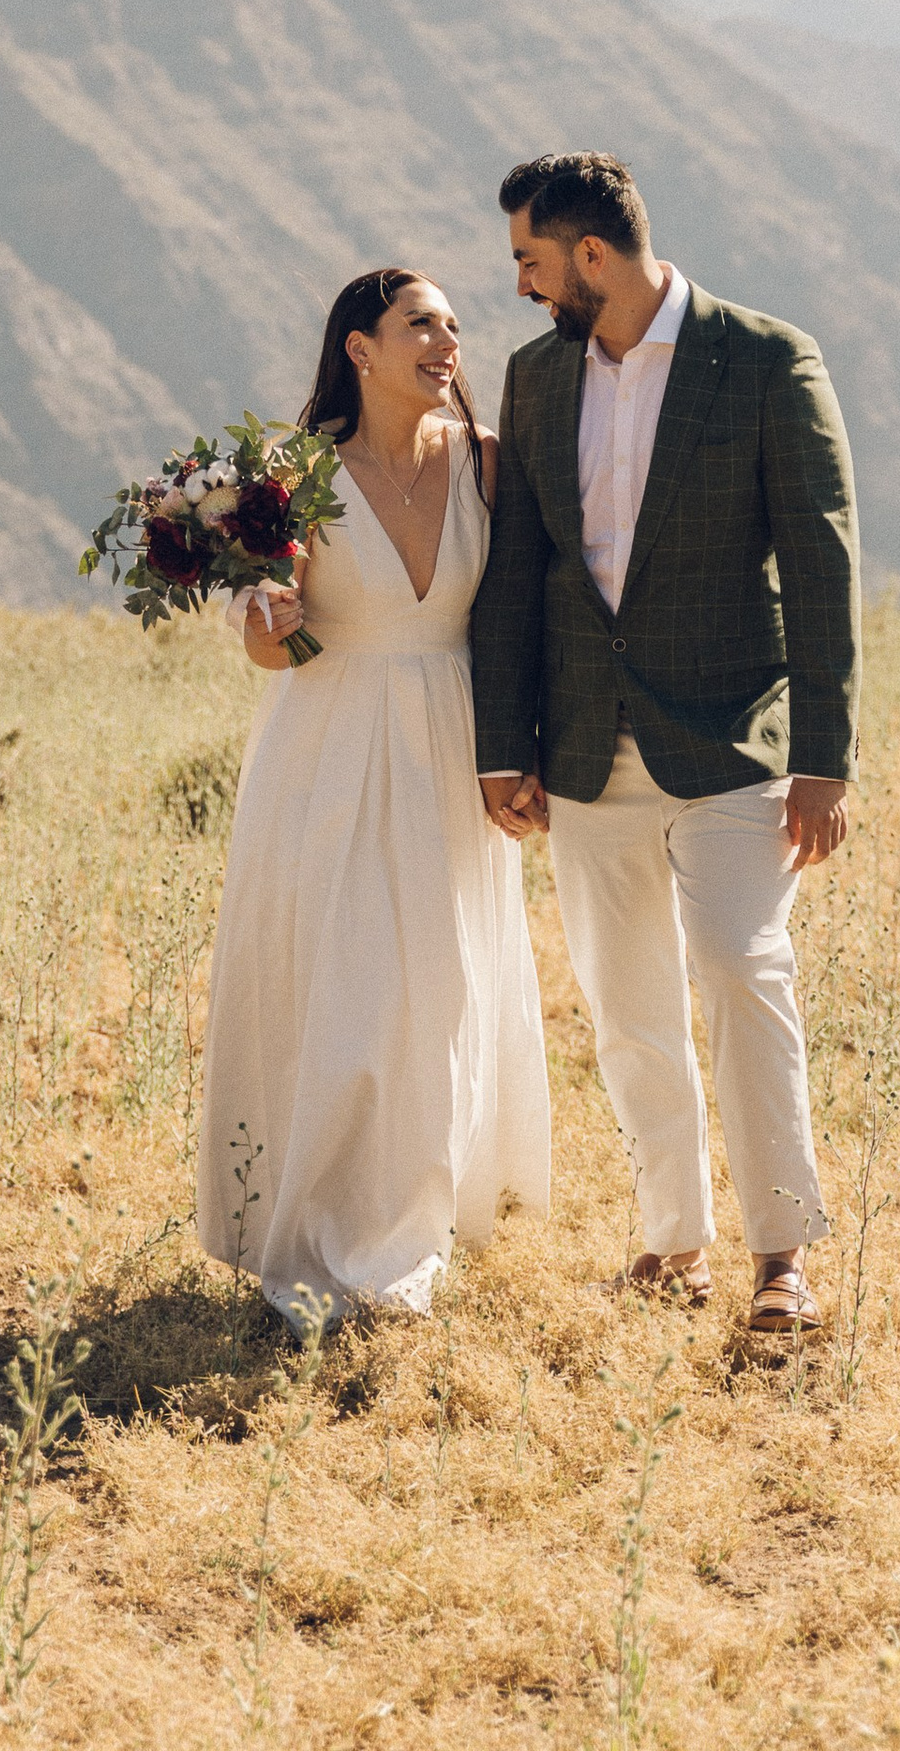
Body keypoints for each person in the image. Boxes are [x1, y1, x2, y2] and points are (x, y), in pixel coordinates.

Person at [470, 153, 859, 1336]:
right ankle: (671, 1242)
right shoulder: (536, 376)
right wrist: (503, 742)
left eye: (532, 262)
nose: (523, 287)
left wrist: (826, 759)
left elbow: (822, 559)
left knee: (744, 971)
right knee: (626, 1006)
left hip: (733, 741)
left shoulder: (766, 358)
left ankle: (781, 1257)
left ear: (591, 255)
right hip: (585, 746)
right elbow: (517, 567)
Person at [195, 266, 552, 1322]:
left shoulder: (488, 462)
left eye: (453, 325)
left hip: (452, 744)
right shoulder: (293, 475)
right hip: (328, 748)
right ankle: (318, 1227)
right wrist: (267, 621)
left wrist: (523, 749)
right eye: (420, 325)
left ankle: (406, 1233)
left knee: (433, 991)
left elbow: (521, 614)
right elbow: (272, 647)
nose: (447, 342)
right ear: (359, 348)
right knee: (344, 986)